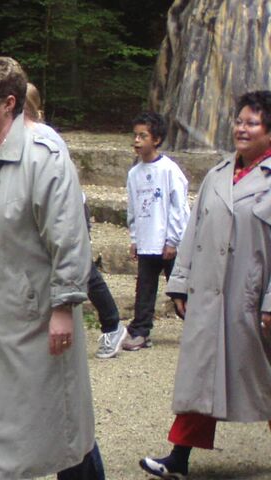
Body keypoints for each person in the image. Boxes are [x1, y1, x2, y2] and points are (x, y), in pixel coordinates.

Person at [0, 57, 104, 479]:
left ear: (8, 103)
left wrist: (63, 306)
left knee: (54, 422)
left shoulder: (45, 157)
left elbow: (69, 237)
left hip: (30, 319)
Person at [139, 90, 271, 478]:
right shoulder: (218, 174)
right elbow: (193, 231)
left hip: (252, 297)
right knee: (202, 373)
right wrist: (180, 282)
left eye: (252, 123)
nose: (241, 129)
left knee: (265, 376)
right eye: (239, 121)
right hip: (211, 296)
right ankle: (178, 458)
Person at [25, 84, 126, 359]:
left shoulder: (44, 136)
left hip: (67, 208)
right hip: (44, 209)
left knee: (80, 266)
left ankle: (112, 323)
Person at [122, 112, 190, 350]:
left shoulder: (169, 170)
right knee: (145, 288)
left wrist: (172, 240)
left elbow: (179, 207)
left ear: (156, 139)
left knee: (180, 289)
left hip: (169, 243)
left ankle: (199, 328)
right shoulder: (134, 173)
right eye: (135, 136)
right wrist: (135, 238)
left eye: (143, 136)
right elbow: (133, 208)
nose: (137, 141)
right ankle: (141, 331)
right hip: (147, 241)